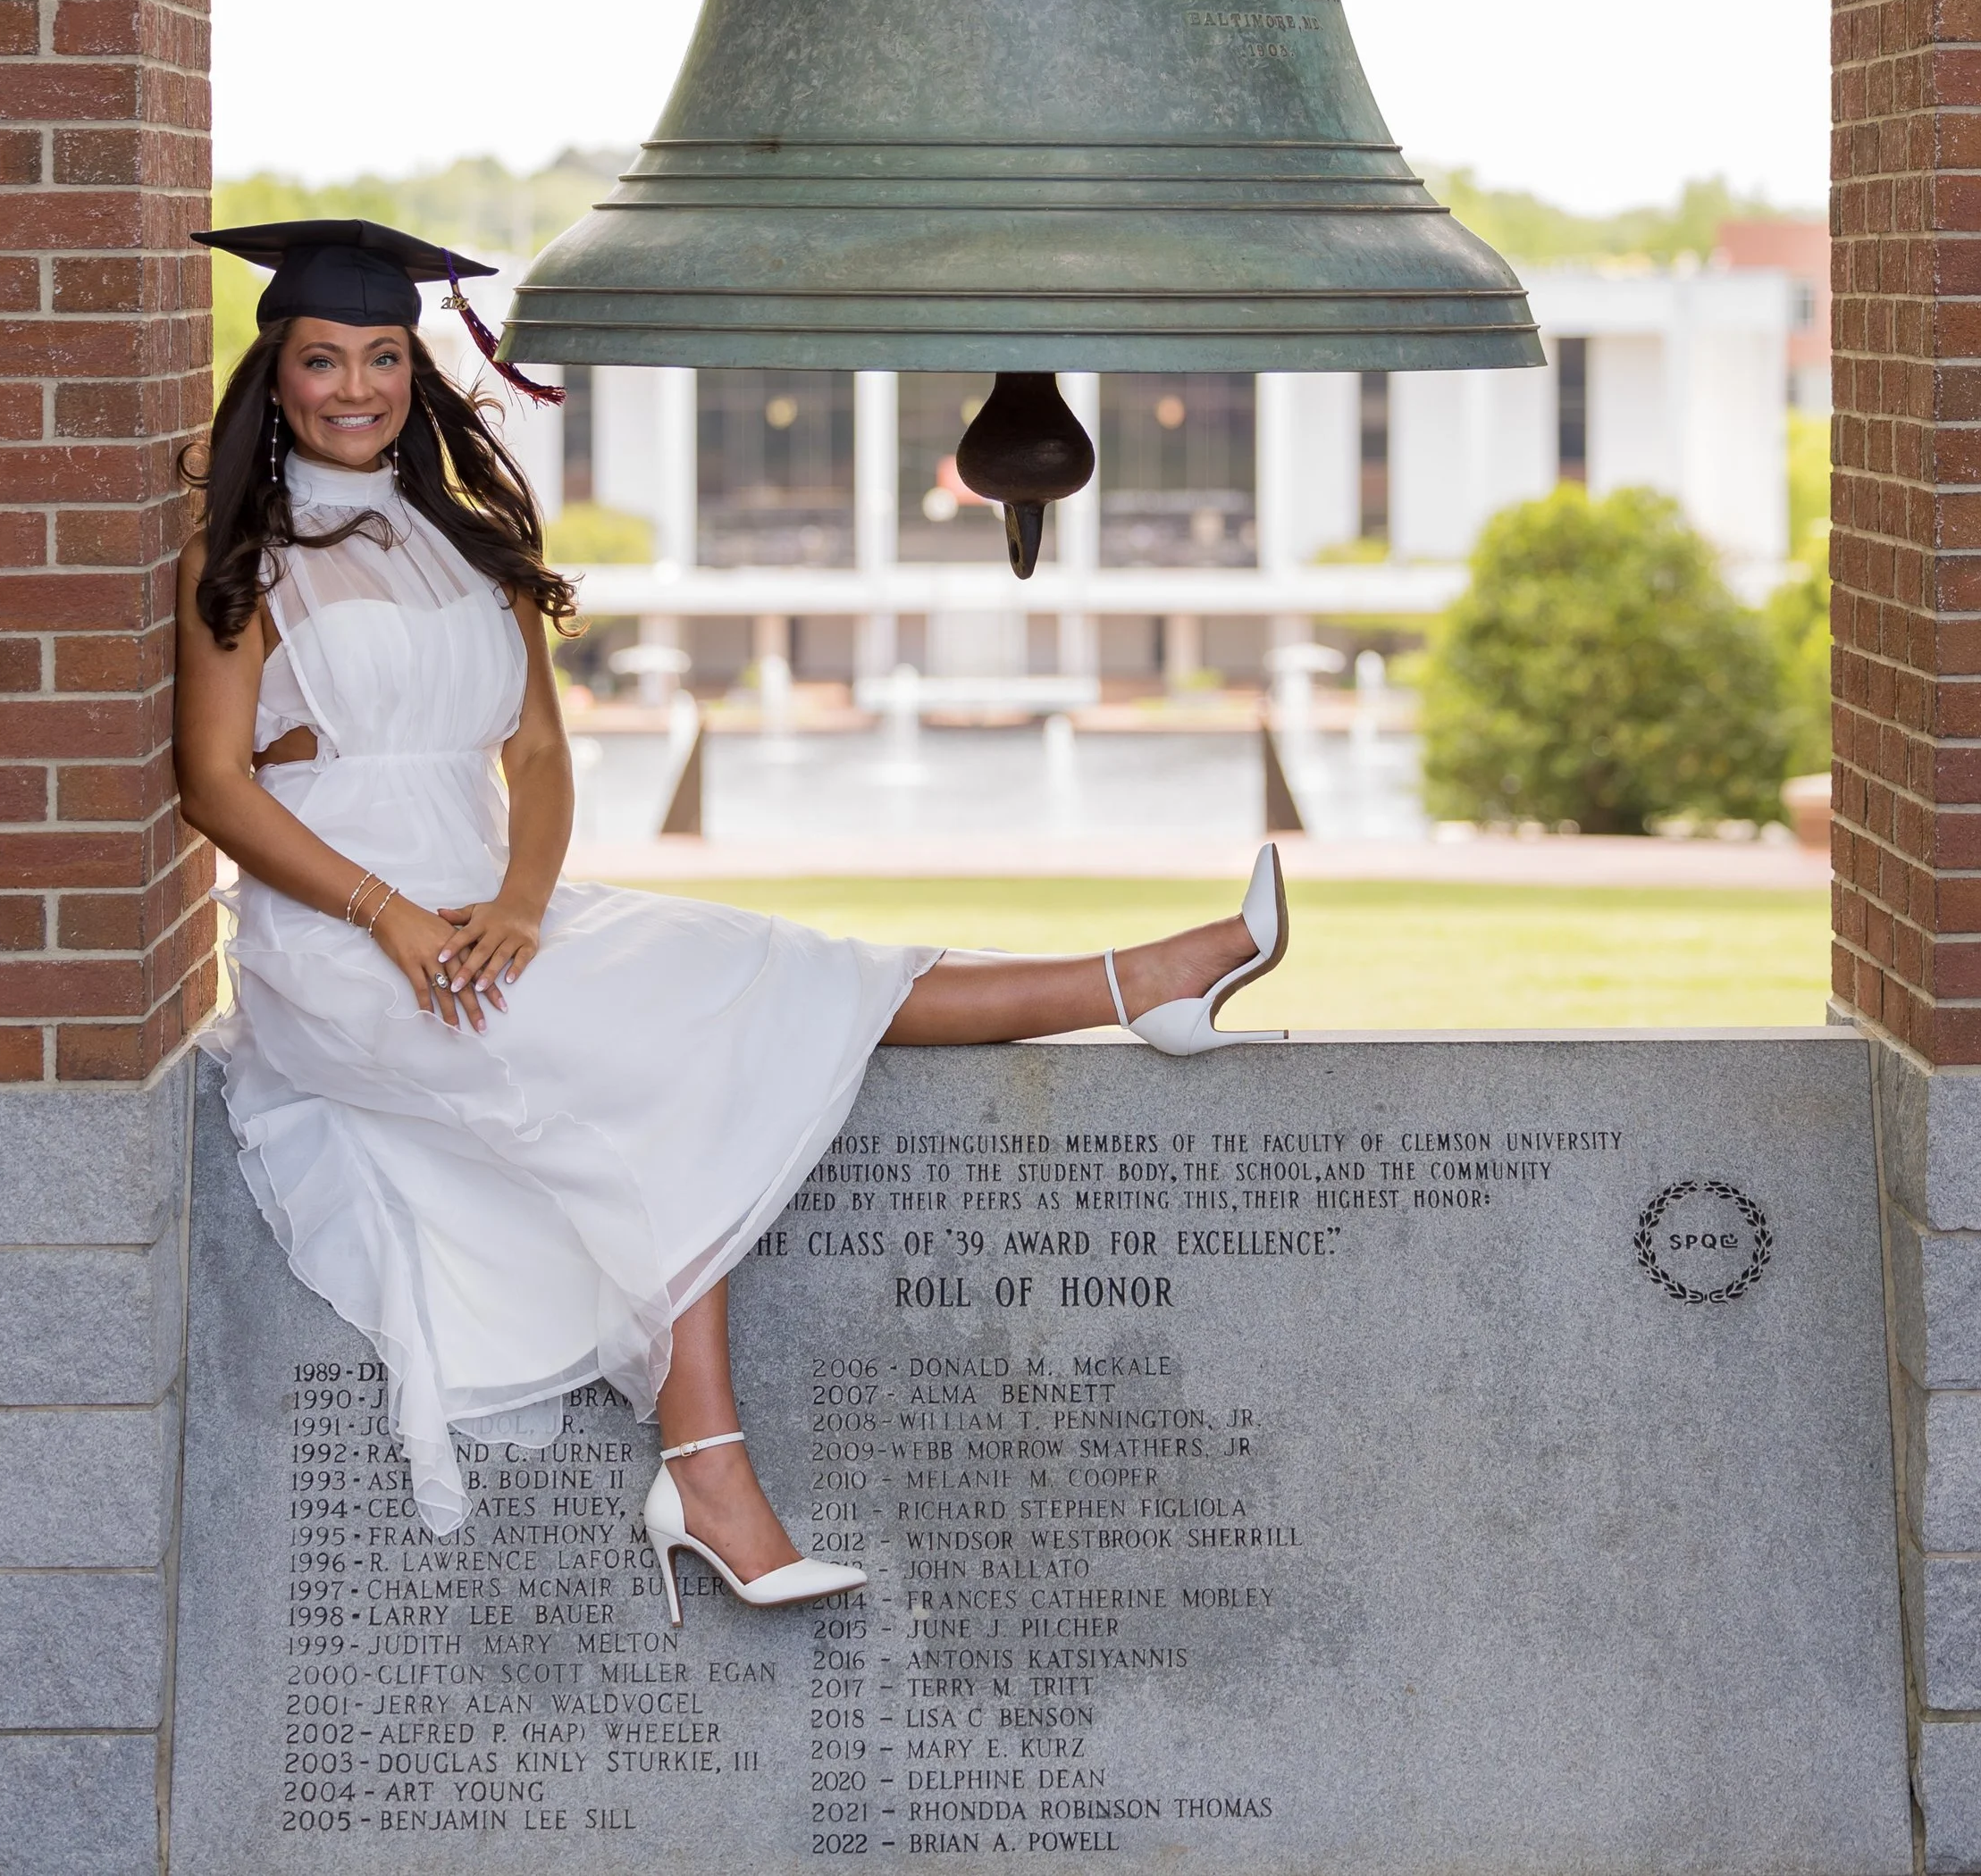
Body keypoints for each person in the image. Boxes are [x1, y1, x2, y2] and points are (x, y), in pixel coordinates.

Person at [172, 220, 1288, 1627]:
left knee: (764, 969)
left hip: (494, 916)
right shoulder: (246, 555)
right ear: (275, 374)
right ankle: (713, 1472)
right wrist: (391, 917)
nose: (355, 385)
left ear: (415, 369)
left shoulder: (470, 541)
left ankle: (1145, 978)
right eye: (322, 358)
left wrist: (520, 901)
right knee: (676, 1044)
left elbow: (537, 756)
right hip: (344, 945)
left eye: (383, 355)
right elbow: (214, 781)